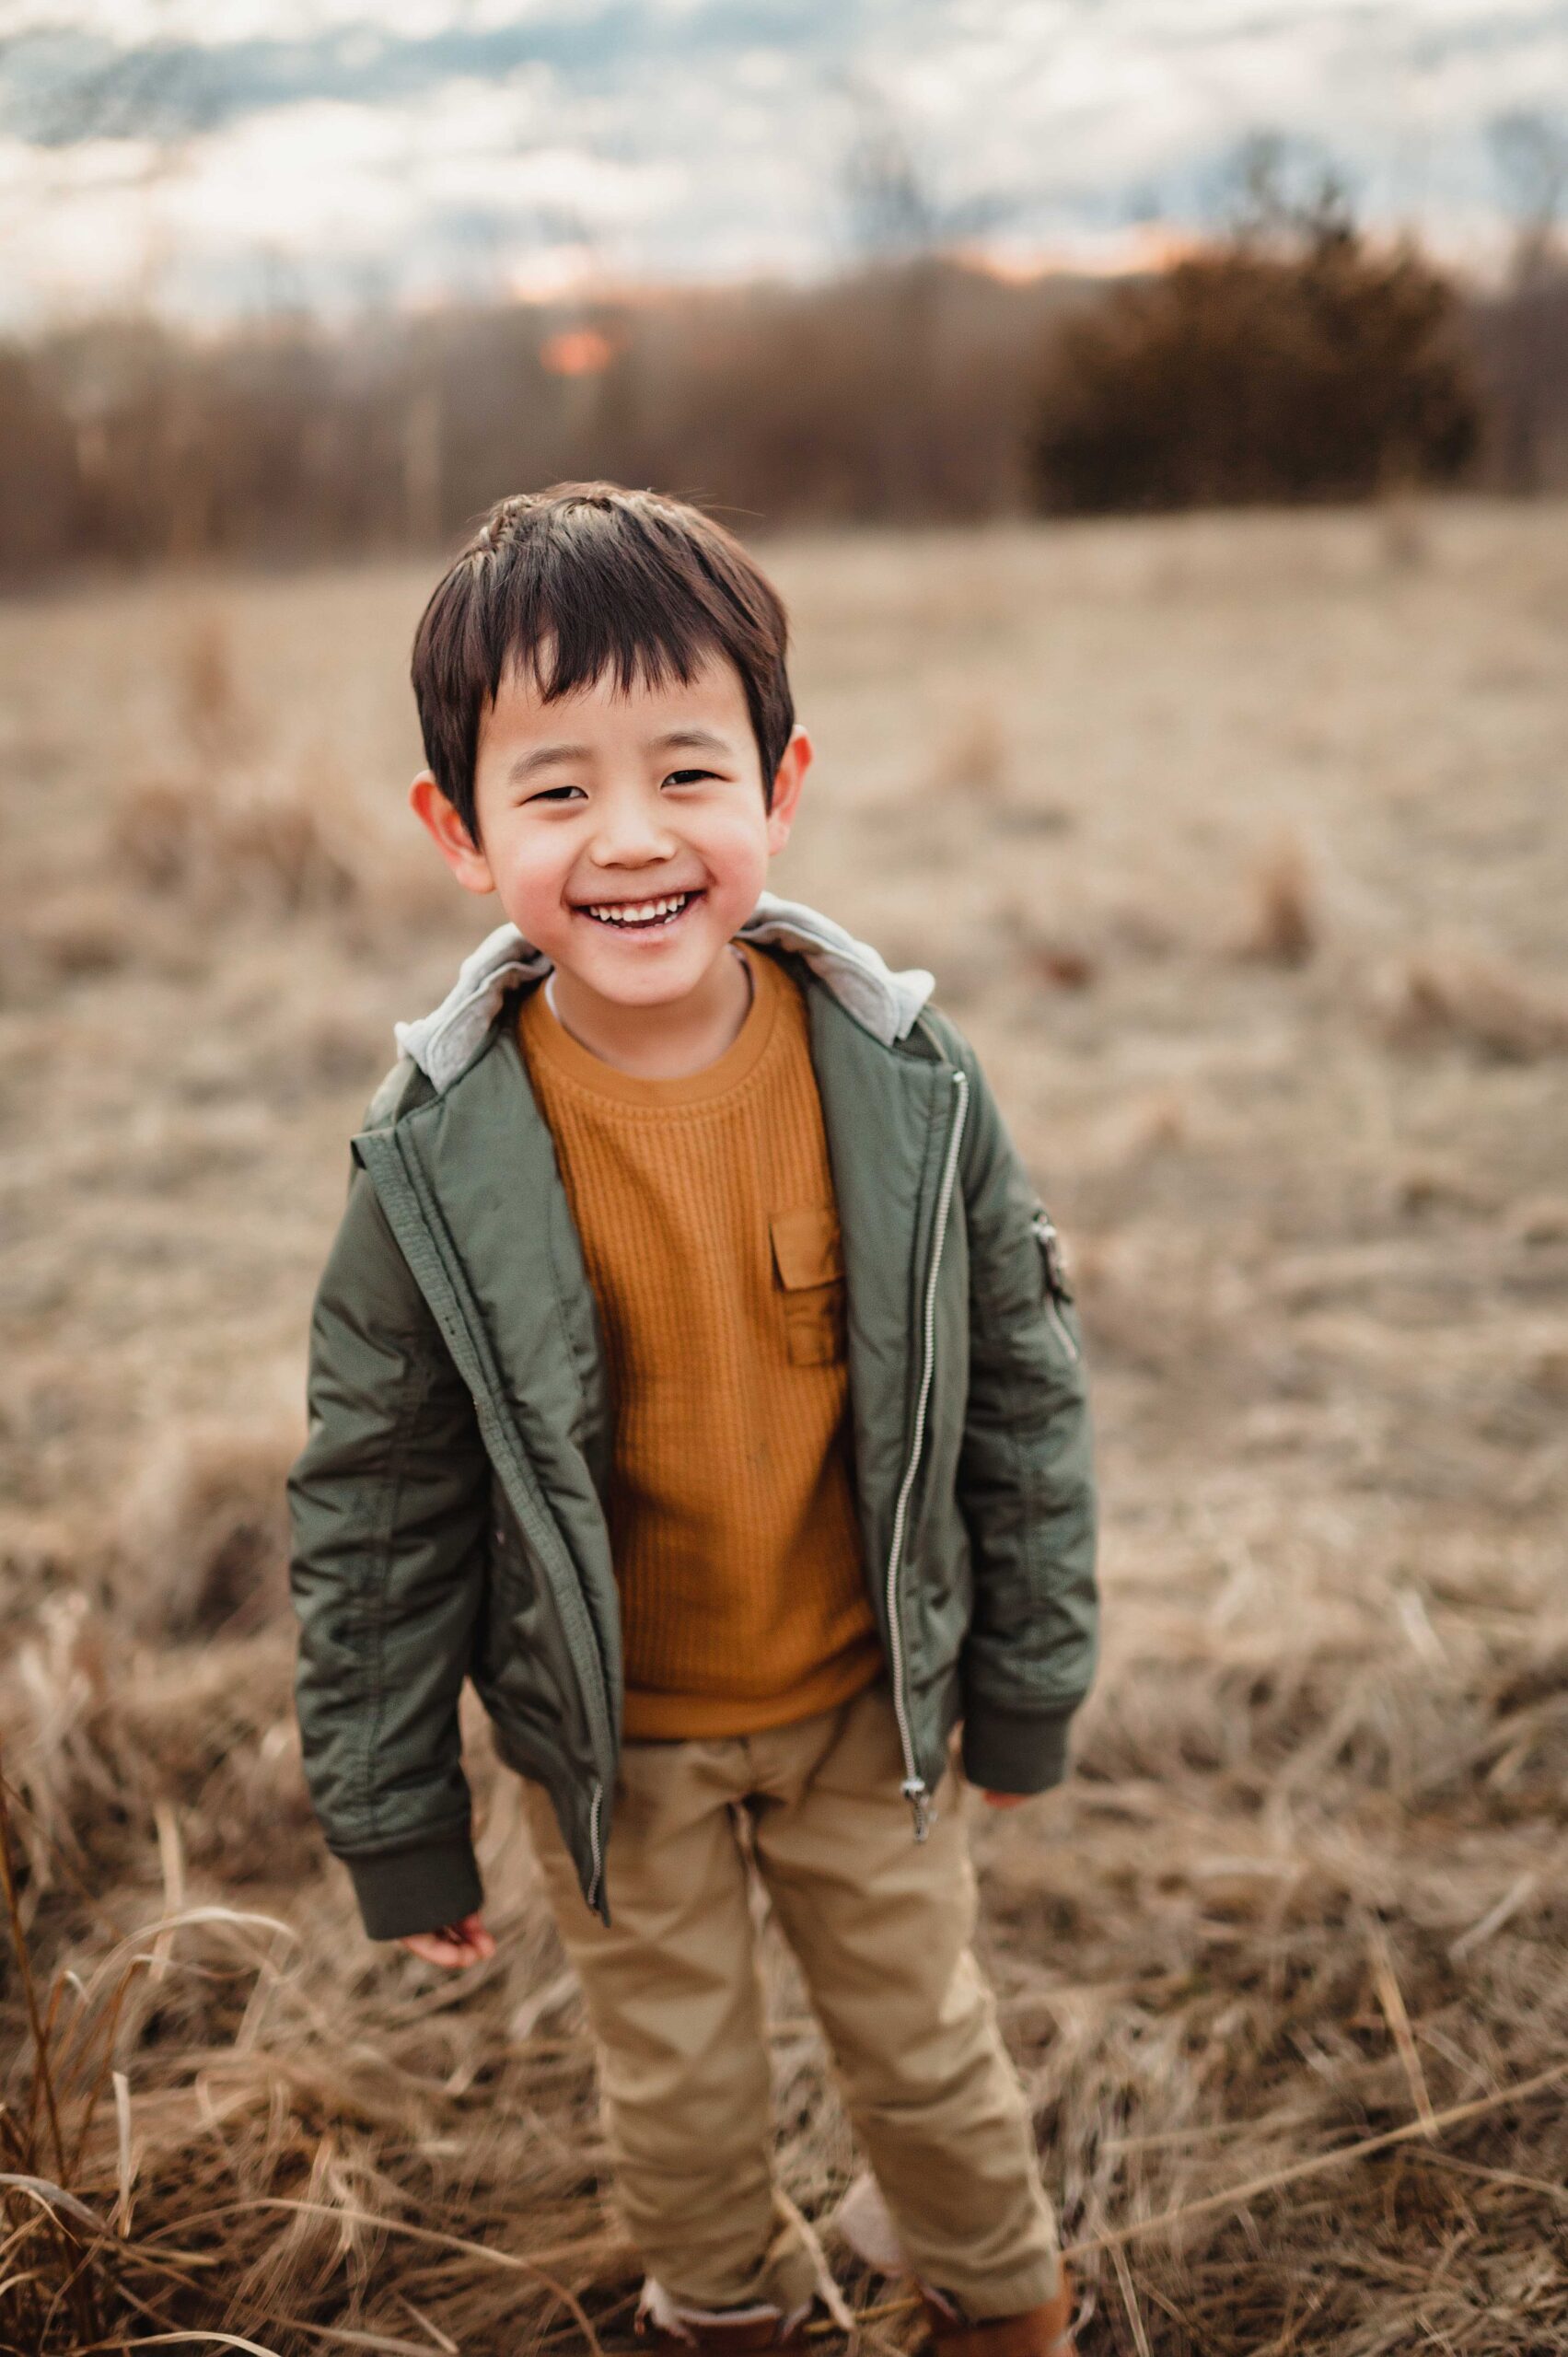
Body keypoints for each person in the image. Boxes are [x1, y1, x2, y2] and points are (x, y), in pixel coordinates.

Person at [287, 483, 1098, 2357]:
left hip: (864, 1706)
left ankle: (1006, 2306)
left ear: (780, 784)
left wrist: (1030, 1683)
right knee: (684, 2098)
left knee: (929, 2045)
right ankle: (726, 2315)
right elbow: (375, 1506)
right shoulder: (436, 1156)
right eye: (556, 790)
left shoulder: (901, 1079)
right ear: (458, 832)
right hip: (615, 1746)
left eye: (686, 771)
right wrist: (399, 1821)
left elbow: (1026, 1392)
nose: (633, 838)